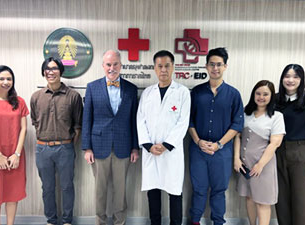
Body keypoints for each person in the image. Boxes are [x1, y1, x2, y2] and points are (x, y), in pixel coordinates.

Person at [82, 50, 139, 225]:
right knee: (100, 191)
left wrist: (135, 147)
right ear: (103, 66)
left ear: (121, 66)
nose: (112, 68)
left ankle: (119, 222)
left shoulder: (131, 88)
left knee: (120, 191)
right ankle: (100, 221)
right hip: (98, 146)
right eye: (108, 64)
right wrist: (87, 147)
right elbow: (87, 118)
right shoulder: (92, 87)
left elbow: (134, 120)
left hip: (124, 146)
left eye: (115, 64)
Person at [188, 47, 244, 225]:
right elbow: (189, 121)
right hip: (198, 150)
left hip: (222, 151)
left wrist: (219, 144)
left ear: (225, 66)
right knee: (199, 189)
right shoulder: (196, 93)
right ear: (206, 66)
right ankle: (195, 221)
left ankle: (218, 222)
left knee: (219, 190)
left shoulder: (233, 94)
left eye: (219, 64)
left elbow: (237, 124)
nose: (215, 68)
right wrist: (198, 141)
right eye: (212, 64)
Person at [137, 50, 190, 225]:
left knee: (174, 192)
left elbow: (183, 123)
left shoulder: (182, 92)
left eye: (167, 66)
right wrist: (148, 145)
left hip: (171, 152)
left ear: (173, 67)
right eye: (160, 66)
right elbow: (140, 120)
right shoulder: (147, 93)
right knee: (153, 192)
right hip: (151, 151)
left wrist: (166, 145)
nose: (163, 70)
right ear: (154, 68)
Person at [30, 57, 83, 225]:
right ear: (43, 72)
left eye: (54, 68)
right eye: (47, 68)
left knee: (67, 186)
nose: (50, 72)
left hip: (65, 148)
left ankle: (67, 220)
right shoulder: (36, 97)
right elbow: (35, 121)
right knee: (47, 188)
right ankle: (51, 220)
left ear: (61, 71)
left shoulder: (73, 96)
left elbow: (78, 125)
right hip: (42, 149)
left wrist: (68, 145)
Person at [234, 80, 285, 225]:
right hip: (245, 164)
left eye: (265, 94)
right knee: (249, 197)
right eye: (258, 93)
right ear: (253, 94)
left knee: (263, 201)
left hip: (263, 166)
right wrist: (236, 159)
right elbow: (237, 136)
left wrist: (260, 165)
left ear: (271, 97)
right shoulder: (245, 112)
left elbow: (275, 143)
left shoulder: (276, 116)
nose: (261, 97)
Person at [0, 65, 29, 225]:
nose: (5, 82)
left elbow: (24, 129)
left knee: (13, 192)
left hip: (15, 155)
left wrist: (16, 154)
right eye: (1, 78)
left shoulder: (19, 102)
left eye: (9, 79)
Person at [275, 64, 305, 225]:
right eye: (287, 76)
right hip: (277, 152)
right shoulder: (274, 100)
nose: (290, 80)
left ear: (301, 80)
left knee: (301, 201)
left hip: (301, 152)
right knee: (281, 200)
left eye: (295, 76)